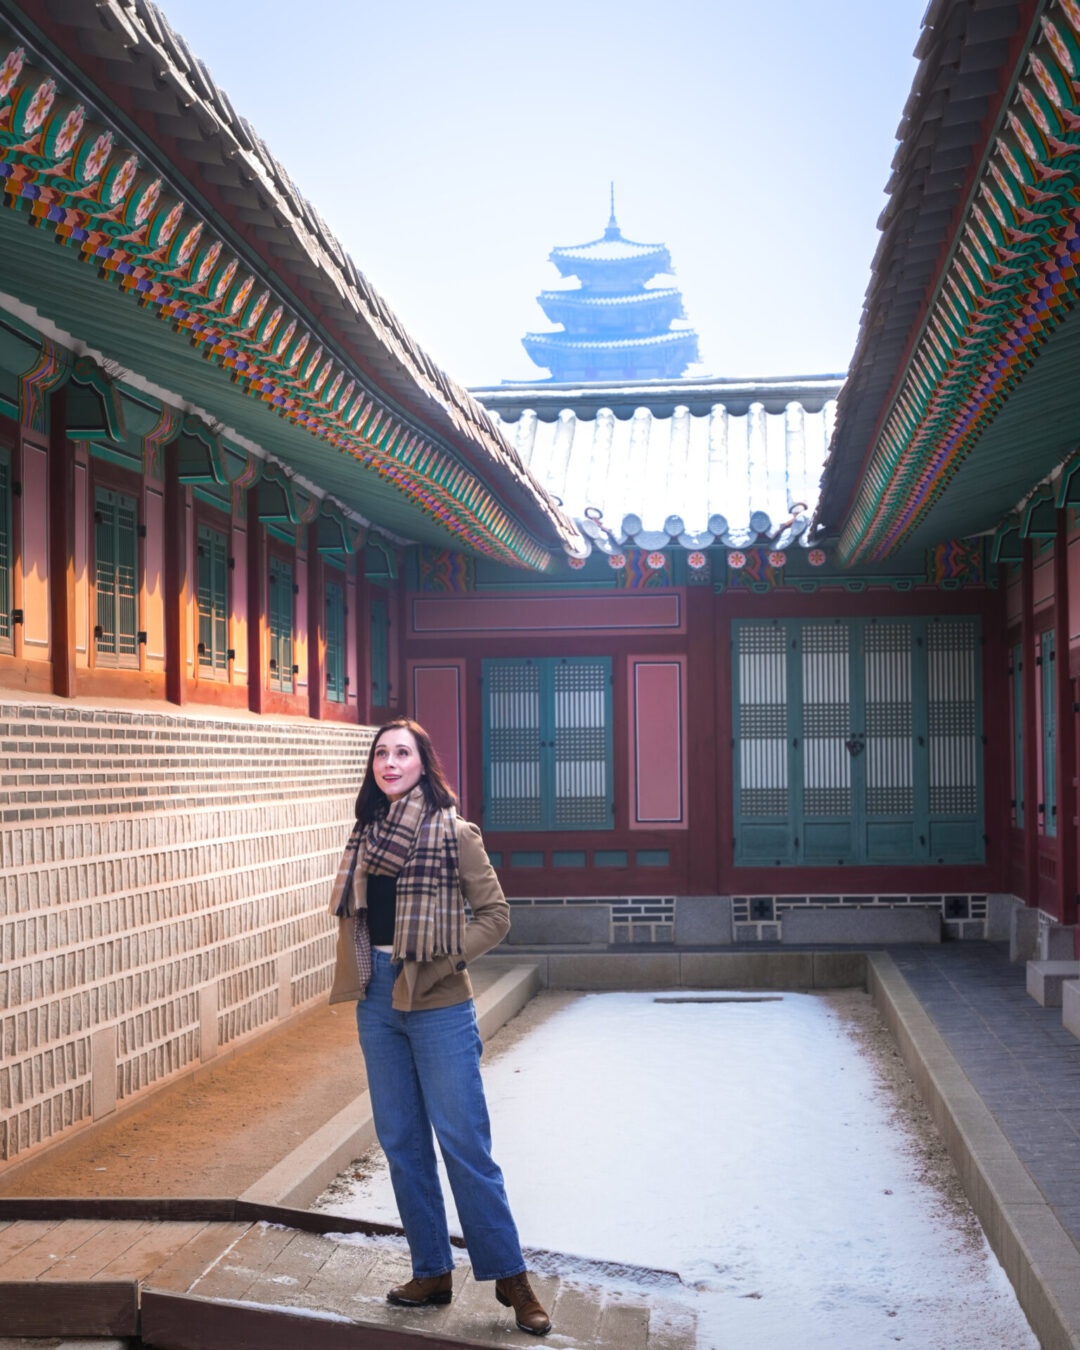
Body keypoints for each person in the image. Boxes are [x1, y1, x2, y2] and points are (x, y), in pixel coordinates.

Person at [329, 717, 551, 1337]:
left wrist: (447, 956)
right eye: (381, 753)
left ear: (424, 762)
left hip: (440, 1002)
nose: (390, 762)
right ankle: (430, 1270)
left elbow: (496, 914)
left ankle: (511, 1276)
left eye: (402, 752)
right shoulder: (365, 835)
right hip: (377, 997)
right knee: (401, 1142)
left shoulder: (454, 834)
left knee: (464, 1146)